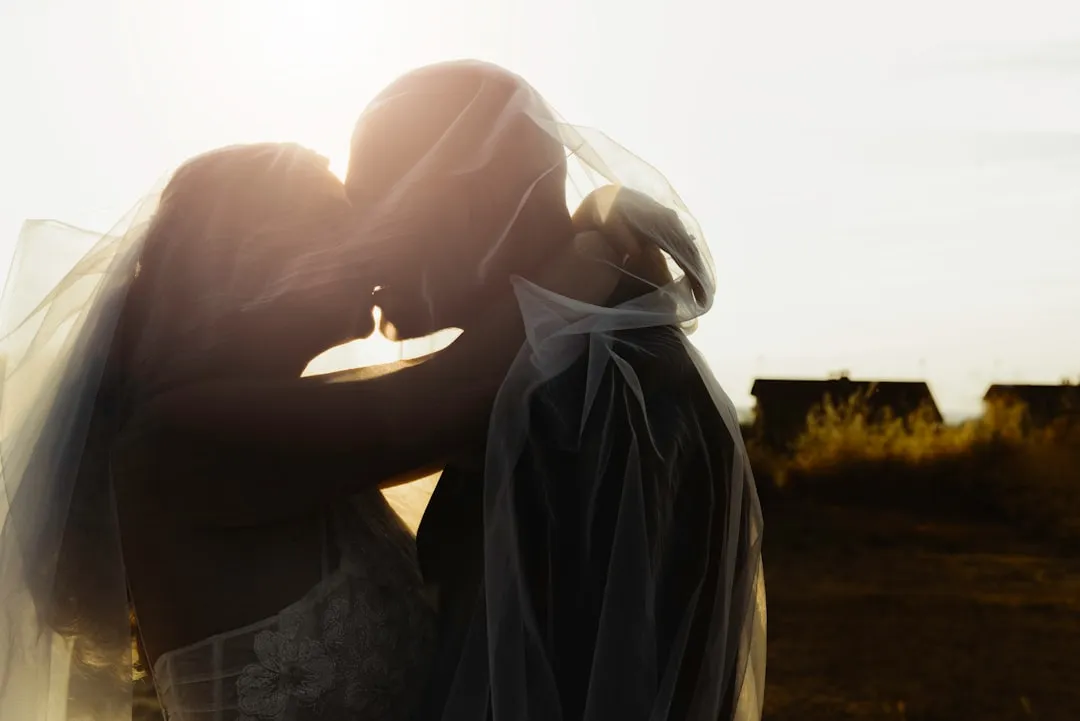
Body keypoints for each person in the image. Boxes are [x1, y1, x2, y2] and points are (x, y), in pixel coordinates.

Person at [0, 141, 625, 721]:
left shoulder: (287, 422)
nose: (375, 239)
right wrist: (611, 237)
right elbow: (468, 387)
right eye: (338, 219)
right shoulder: (183, 440)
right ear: (256, 251)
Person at [344, 60, 767, 721]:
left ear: (467, 204)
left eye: (377, 212)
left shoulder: (578, 394)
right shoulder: (599, 356)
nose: (361, 257)